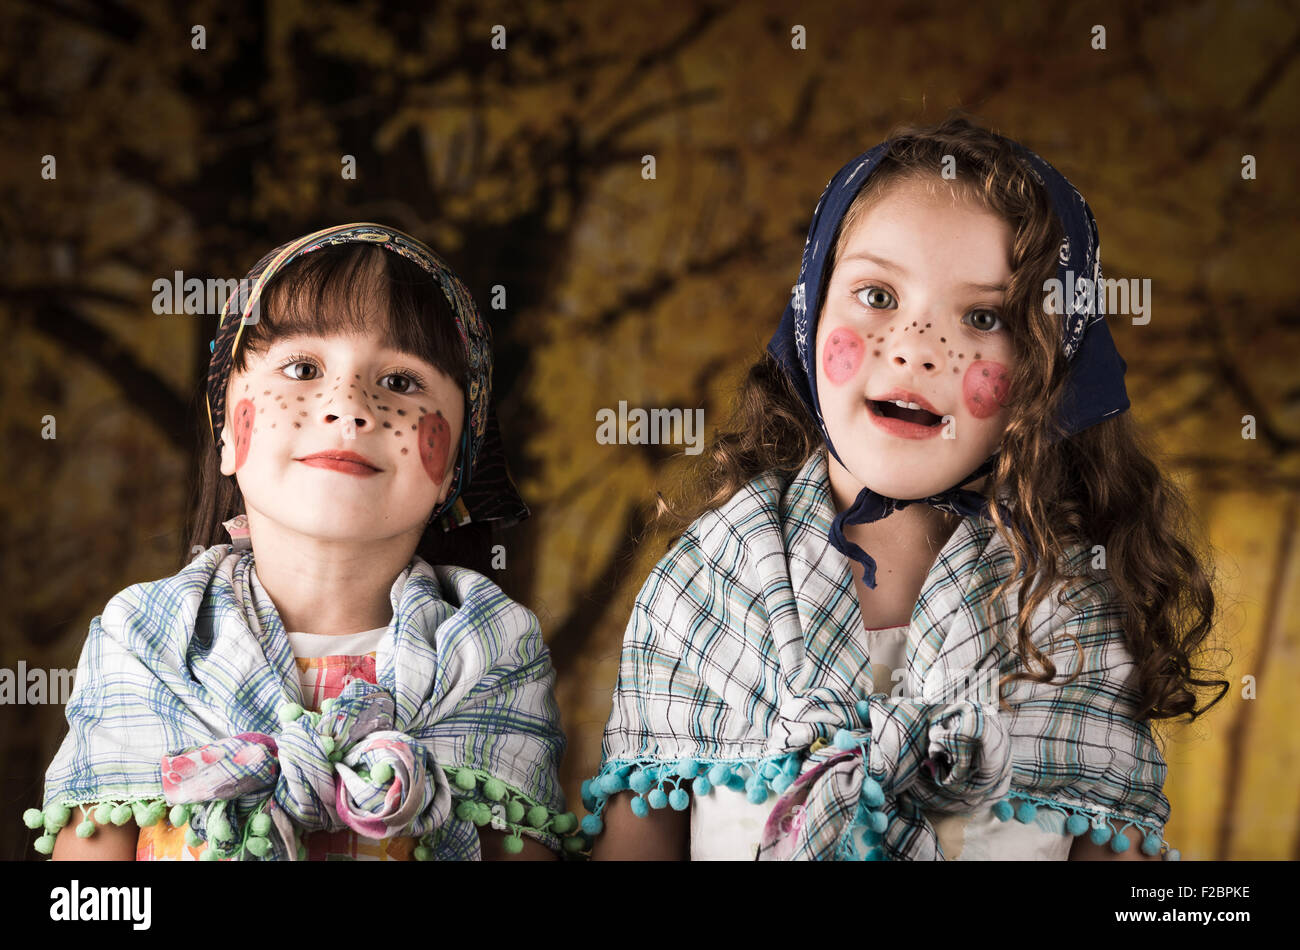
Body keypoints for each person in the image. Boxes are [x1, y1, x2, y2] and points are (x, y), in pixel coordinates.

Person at [582, 116, 1228, 861]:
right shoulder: (698, 589)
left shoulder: (1073, 620)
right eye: (879, 297)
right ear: (810, 309)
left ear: (1050, 375)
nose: (919, 348)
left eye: (984, 317)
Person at [25, 224, 578, 860]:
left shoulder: (494, 654)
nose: (350, 405)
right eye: (301, 368)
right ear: (229, 431)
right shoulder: (144, 641)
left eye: (401, 381)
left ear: (454, 464)